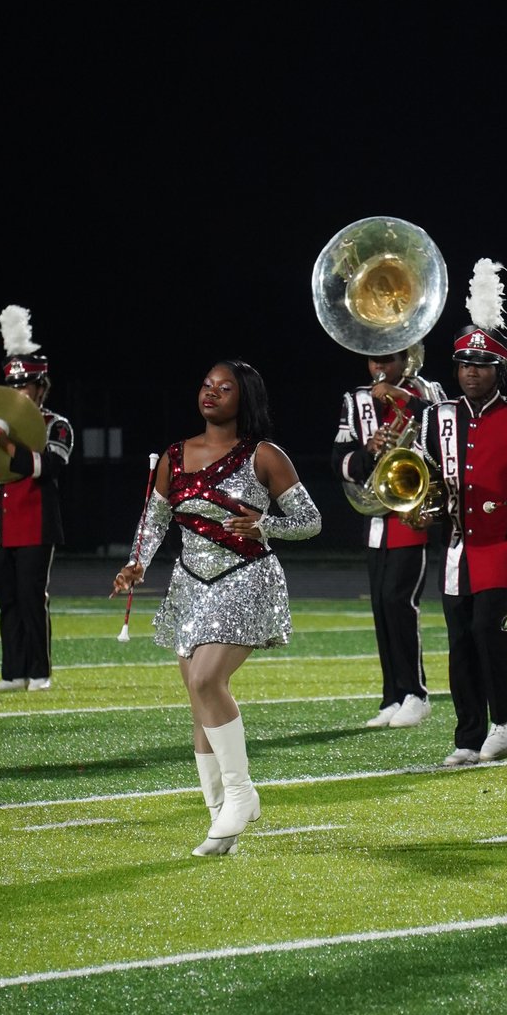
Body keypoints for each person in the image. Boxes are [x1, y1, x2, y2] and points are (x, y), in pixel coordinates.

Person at [112, 359, 321, 857]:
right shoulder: (173, 455)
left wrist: (267, 525)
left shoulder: (264, 456)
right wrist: (136, 564)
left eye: (224, 389)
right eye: (206, 385)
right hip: (189, 582)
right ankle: (218, 818)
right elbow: (154, 520)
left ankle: (242, 792)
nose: (211, 394)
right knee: (196, 696)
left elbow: (311, 520)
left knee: (208, 681)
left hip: (247, 577)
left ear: (243, 399)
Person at [420, 260, 507, 767]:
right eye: (464, 364)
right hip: (454, 545)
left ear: (500, 370)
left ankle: (505, 722)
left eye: (482, 364)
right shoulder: (436, 418)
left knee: (487, 630)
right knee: (458, 638)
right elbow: (423, 474)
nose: (471, 372)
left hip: (502, 542)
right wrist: (421, 506)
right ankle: (467, 736)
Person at [332, 347, 444, 728]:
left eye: (389, 360)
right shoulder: (356, 400)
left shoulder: (429, 391)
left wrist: (405, 400)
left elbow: (442, 435)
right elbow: (339, 460)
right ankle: (392, 696)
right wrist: (369, 450)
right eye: (374, 361)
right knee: (381, 604)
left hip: (410, 514)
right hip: (377, 513)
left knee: (400, 601)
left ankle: (417, 693)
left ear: (407, 359)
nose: (379, 368)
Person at [0, 305, 74, 693]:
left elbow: (48, 467)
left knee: (32, 599)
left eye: (26, 386)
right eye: (14, 387)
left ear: (41, 386)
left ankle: (39, 672)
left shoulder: (57, 424)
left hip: (36, 523)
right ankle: (12, 673)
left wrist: (5, 443)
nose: (20, 392)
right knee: (7, 602)